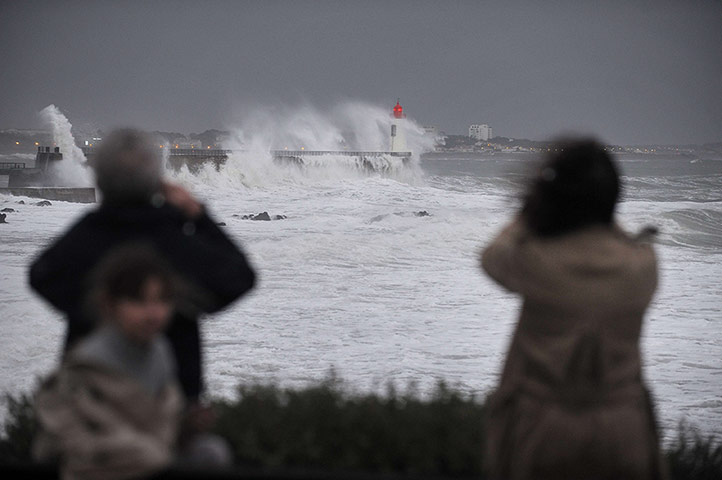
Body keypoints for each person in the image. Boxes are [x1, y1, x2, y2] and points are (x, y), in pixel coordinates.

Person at [480, 138, 667, 479]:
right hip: (623, 429)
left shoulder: (536, 262)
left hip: (544, 429)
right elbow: (610, 227)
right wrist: (600, 209)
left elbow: (491, 258)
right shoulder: (642, 266)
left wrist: (533, 210)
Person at [29, 128, 256, 402]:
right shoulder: (177, 242)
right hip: (170, 410)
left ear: (99, 180)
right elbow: (241, 276)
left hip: (90, 409)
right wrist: (198, 215)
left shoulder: (87, 238)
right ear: (157, 181)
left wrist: (89, 311)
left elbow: (41, 275)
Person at [33, 245, 184, 479]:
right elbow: (75, 447)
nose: (154, 313)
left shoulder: (161, 351)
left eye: (162, 299)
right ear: (109, 304)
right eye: (138, 300)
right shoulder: (88, 364)